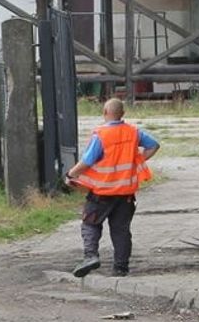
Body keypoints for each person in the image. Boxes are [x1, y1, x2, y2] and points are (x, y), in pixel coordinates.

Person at [64, 97, 160, 278]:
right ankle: (120, 268)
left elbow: (88, 161)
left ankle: (90, 256)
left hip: (102, 192)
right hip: (126, 194)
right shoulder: (133, 132)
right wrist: (138, 160)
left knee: (90, 224)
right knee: (121, 230)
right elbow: (154, 145)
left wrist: (71, 174)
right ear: (123, 114)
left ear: (104, 113)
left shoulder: (101, 134)